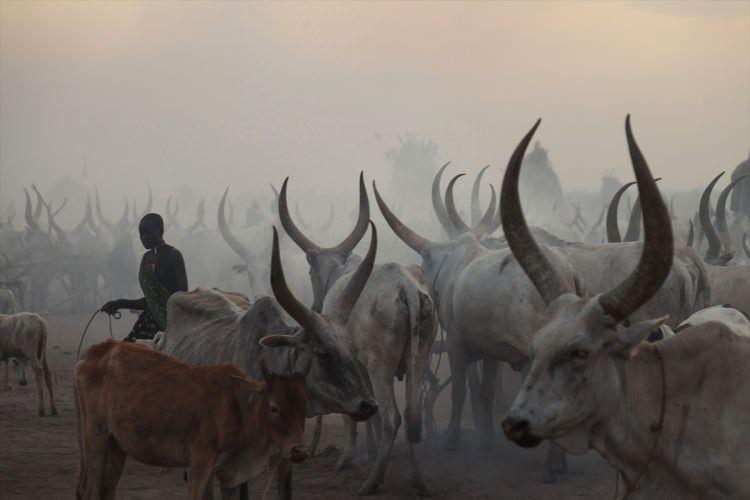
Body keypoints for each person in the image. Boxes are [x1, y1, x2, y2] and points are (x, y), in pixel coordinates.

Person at [102, 213, 188, 342]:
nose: (143, 237)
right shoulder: (146, 259)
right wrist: (119, 303)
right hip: (147, 322)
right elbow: (150, 302)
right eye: (141, 234)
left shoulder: (174, 256)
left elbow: (182, 298)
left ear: (160, 231)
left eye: (148, 233)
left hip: (171, 327)